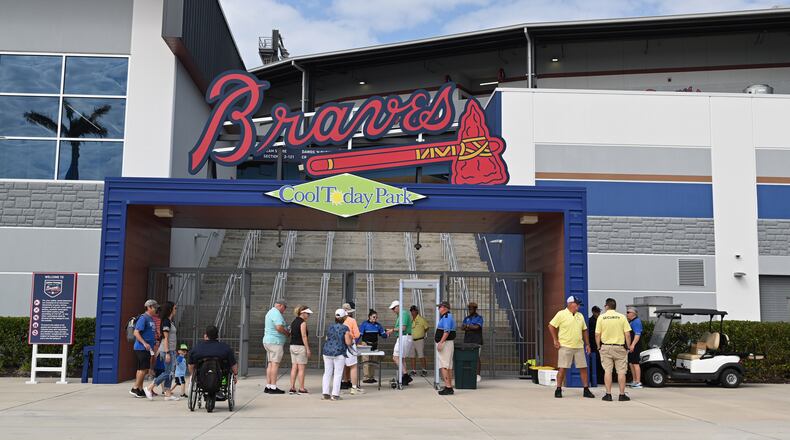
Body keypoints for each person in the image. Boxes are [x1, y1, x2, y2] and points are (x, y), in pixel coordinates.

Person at [548, 296, 594, 399]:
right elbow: (551, 326)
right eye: (576, 303)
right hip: (565, 346)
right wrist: (555, 340)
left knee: (583, 368)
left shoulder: (580, 316)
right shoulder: (561, 314)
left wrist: (587, 344)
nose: (578, 306)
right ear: (570, 304)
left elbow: (584, 330)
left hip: (579, 346)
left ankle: (586, 389)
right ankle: (558, 389)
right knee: (563, 368)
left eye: (578, 304)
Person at [595, 298, 633, 402]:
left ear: (607, 306)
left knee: (607, 371)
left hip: (606, 347)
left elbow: (597, 334)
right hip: (619, 347)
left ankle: (608, 394)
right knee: (621, 372)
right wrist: (628, 347)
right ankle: (621, 395)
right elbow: (627, 334)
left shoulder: (601, 317)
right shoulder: (622, 317)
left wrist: (598, 346)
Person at [144, 301, 180, 400]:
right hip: (167, 350)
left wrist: (173, 350)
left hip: (171, 350)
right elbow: (165, 338)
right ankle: (149, 387)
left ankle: (167, 393)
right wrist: (168, 352)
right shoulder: (166, 322)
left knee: (170, 372)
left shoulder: (170, 321)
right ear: (170, 309)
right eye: (175, 308)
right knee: (167, 372)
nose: (176, 310)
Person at [188, 325, 238, 391]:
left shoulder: (196, 349)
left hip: (202, 376)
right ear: (217, 336)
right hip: (220, 377)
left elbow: (191, 365)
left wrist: (192, 375)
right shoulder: (226, 348)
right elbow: (233, 364)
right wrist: (235, 374)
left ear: (205, 335)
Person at [322, 309, 353, 401]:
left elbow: (327, 338)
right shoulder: (345, 328)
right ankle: (335, 394)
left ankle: (325, 393)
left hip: (327, 351)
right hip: (339, 352)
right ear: (344, 317)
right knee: (338, 374)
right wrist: (351, 338)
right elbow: (348, 342)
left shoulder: (330, 327)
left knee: (327, 373)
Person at [130, 299, 158, 398]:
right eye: (154, 307)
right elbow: (136, 332)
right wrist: (144, 343)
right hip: (141, 347)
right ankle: (135, 388)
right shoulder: (144, 318)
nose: (155, 309)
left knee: (143, 369)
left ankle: (140, 389)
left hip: (146, 348)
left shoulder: (151, 318)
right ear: (149, 307)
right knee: (143, 369)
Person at [263, 299, 290, 394]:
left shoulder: (270, 312)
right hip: (275, 342)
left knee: (270, 363)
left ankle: (268, 385)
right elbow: (279, 327)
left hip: (268, 341)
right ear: (281, 305)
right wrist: (287, 333)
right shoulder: (276, 313)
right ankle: (273, 387)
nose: (284, 310)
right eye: (285, 308)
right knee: (275, 364)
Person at [386, 300, 413, 386]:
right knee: (402, 358)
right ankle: (404, 377)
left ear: (398, 307)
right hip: (404, 337)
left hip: (404, 337)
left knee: (395, 357)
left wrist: (392, 330)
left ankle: (405, 375)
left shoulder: (403, 314)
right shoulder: (400, 315)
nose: (393, 310)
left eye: (394, 308)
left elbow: (403, 328)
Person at [339, 302, 364, 394]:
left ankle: (340, 384)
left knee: (340, 365)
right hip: (350, 344)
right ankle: (354, 387)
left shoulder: (338, 320)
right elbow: (357, 334)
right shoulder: (352, 320)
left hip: (340, 344)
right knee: (353, 366)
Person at [358, 309, 387, 383]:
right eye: (374, 317)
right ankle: (366, 377)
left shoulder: (378, 325)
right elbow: (359, 335)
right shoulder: (364, 324)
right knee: (366, 361)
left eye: (376, 317)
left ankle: (371, 377)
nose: (375, 319)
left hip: (374, 345)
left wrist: (387, 333)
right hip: (366, 345)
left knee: (373, 361)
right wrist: (355, 342)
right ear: (369, 317)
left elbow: (383, 335)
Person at [288, 305, 313, 395]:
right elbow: (304, 336)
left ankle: (292, 387)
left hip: (292, 346)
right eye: (307, 313)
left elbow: (291, 333)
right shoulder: (303, 323)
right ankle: (301, 388)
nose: (308, 315)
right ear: (303, 313)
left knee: (294, 367)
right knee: (301, 368)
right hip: (300, 347)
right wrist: (307, 349)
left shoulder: (294, 322)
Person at [436, 301, 457, 395]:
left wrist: (441, 342)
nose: (438, 309)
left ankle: (448, 387)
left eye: (439, 307)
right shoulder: (447, 317)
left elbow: (447, 331)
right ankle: (449, 386)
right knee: (448, 366)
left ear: (444, 307)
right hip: (448, 343)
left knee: (444, 366)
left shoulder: (447, 317)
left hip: (445, 344)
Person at [462, 302, 484, 381]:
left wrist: (468, 326)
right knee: (468, 357)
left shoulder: (479, 317)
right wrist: (470, 326)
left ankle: (477, 375)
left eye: (471, 309)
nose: (470, 310)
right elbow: (462, 327)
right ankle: (469, 374)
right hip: (467, 340)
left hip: (476, 340)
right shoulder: (467, 318)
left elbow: (477, 327)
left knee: (476, 357)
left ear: (475, 309)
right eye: (469, 309)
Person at [408, 305, 430, 377]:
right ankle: (413, 371)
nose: (413, 312)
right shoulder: (411, 320)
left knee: (421, 355)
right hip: (411, 340)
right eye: (411, 311)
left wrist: (422, 333)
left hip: (419, 340)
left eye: (414, 310)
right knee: (412, 356)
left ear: (417, 311)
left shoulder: (421, 319)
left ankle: (424, 370)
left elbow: (427, 328)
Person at [626, 307, 644, 389]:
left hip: (635, 345)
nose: (627, 313)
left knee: (635, 363)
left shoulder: (636, 321)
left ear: (634, 313)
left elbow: (637, 334)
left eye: (628, 312)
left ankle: (638, 381)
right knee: (631, 363)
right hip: (631, 346)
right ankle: (634, 380)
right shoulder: (631, 321)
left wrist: (632, 345)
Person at [589, 306, 605, 385]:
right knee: (595, 362)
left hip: (601, 344)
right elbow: (592, 334)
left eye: (599, 312)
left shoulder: (600, 320)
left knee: (602, 362)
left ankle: (601, 379)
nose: (598, 313)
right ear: (593, 312)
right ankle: (595, 379)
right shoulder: (591, 321)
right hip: (593, 345)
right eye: (597, 312)